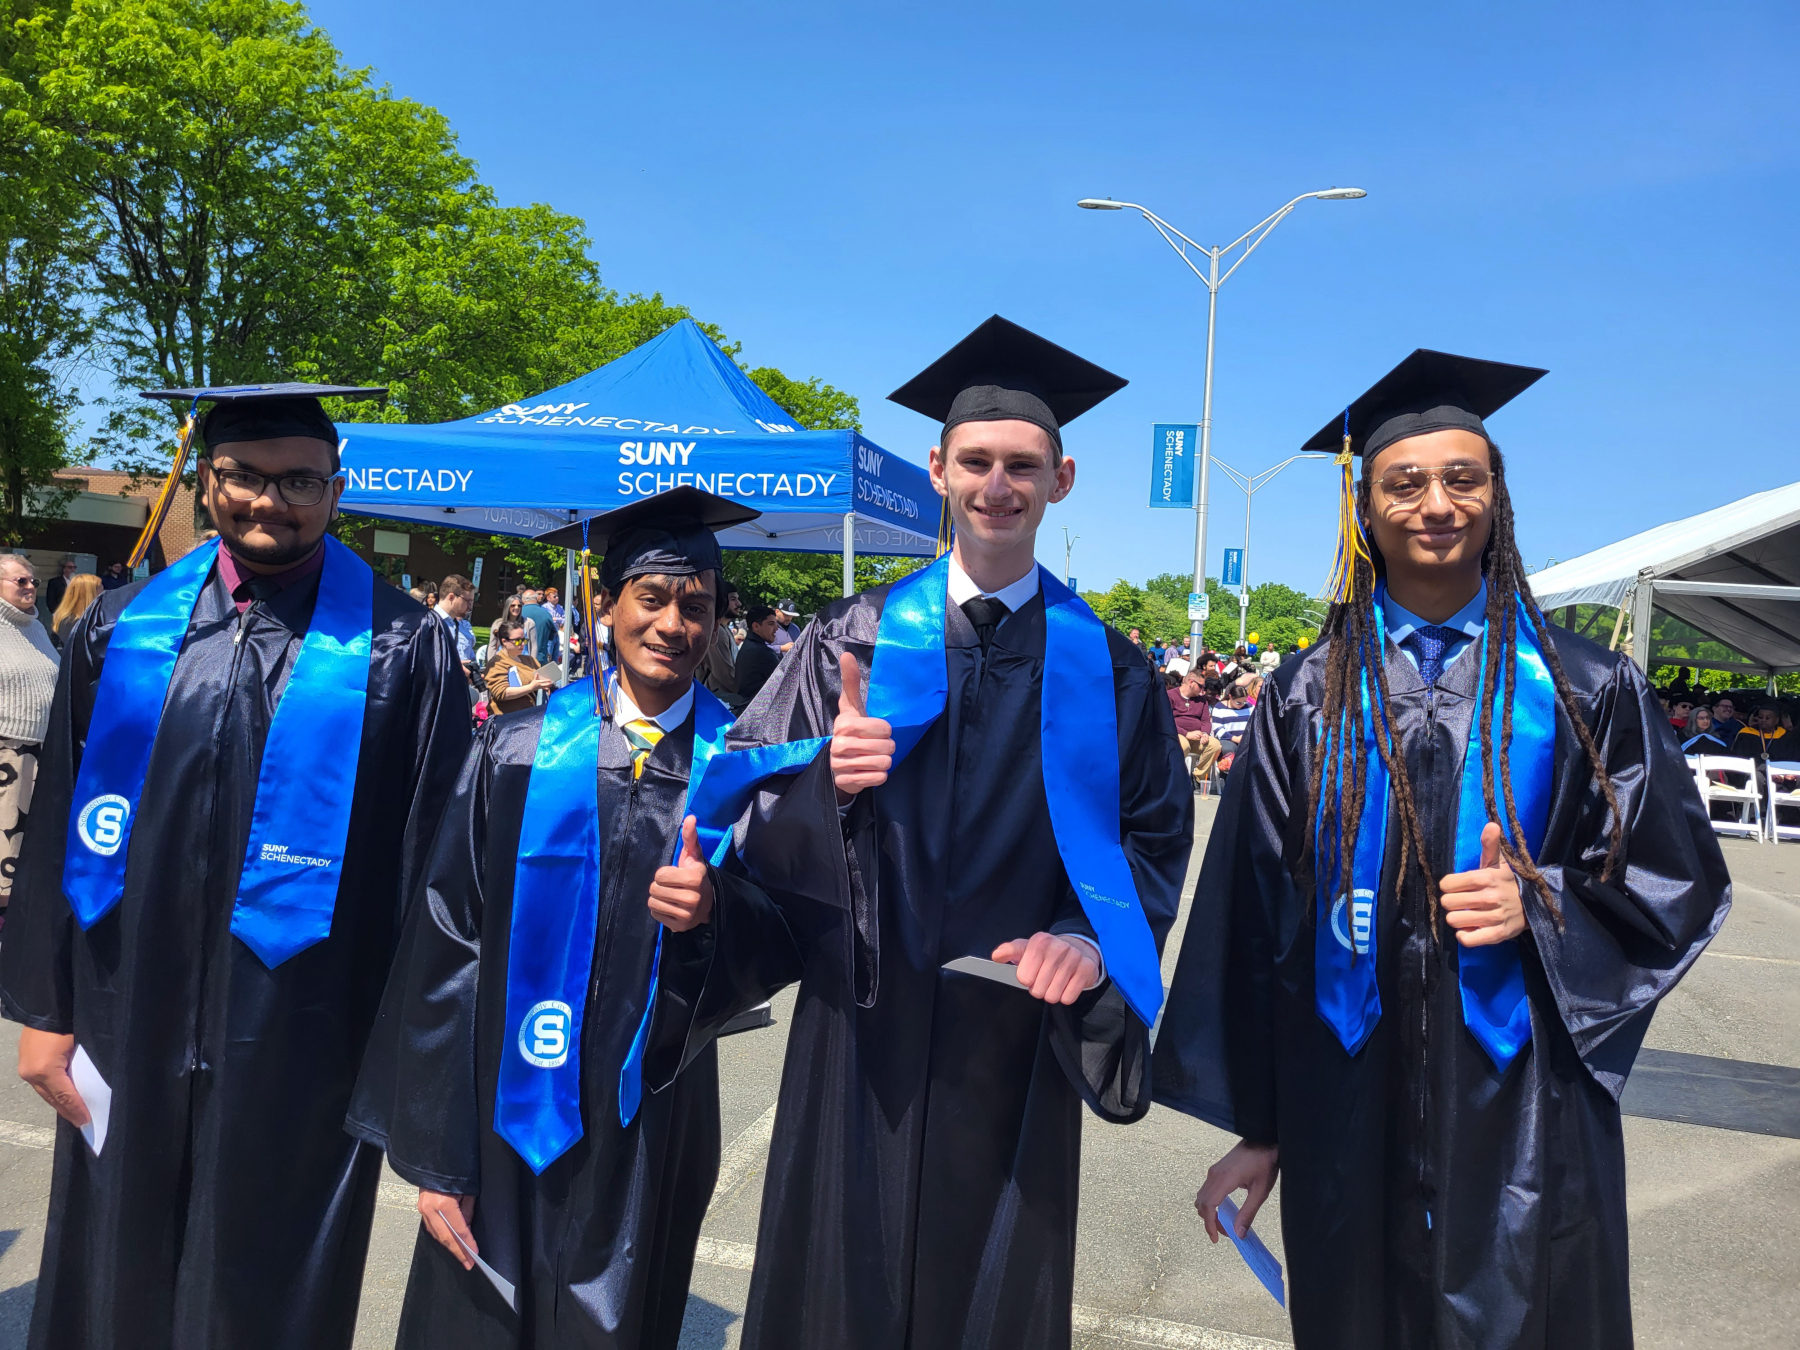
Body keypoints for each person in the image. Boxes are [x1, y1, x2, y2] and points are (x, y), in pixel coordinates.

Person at [1154, 349, 1731, 1350]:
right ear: (1365, 511)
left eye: (1465, 478)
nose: (1437, 503)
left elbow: (1674, 880)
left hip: (1526, 1103)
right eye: (1404, 483)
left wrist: (1546, 905)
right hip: (1347, 1097)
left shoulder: (1587, 690)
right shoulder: (1306, 697)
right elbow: (1253, 923)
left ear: (1497, 501)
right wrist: (1262, 1129)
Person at [716, 316, 1192, 1349]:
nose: (997, 485)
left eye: (1023, 466)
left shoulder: (1107, 665)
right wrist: (819, 783)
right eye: (975, 461)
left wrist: (1086, 936)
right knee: (841, 1280)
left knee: (993, 1289)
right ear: (938, 469)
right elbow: (738, 804)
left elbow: (1152, 838)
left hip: (1013, 1023)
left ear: (1061, 480)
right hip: (862, 1019)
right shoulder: (855, 635)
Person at [0, 381, 470, 1349]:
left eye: (299, 480)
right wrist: (44, 1012)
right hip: (130, 996)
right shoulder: (120, 628)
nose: (270, 501)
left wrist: (411, 1065)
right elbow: (58, 825)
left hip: (306, 1021)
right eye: (245, 477)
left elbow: (434, 866)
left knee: (269, 1258)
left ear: (337, 490)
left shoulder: (404, 646)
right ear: (207, 483)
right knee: (117, 1243)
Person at [350, 486, 799, 1349]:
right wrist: (439, 1153)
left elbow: (781, 936)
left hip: (651, 1111)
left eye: (696, 606)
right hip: (501, 1102)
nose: (675, 624)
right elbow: (447, 944)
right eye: (654, 597)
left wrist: (711, 915)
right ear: (608, 604)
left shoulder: (739, 769)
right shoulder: (515, 750)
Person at [0, 554, 57, 935]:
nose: (31, 587)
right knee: (5, 846)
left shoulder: (37, 628)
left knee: (28, 850)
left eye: (33, 581)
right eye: (21, 581)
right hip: (7, 751)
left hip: (43, 751)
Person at [485, 618, 552, 714]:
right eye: (517, 641)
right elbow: (501, 693)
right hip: (507, 720)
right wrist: (531, 687)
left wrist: (545, 685)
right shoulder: (497, 663)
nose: (522, 644)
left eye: (524, 640)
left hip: (531, 715)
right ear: (504, 641)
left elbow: (540, 681)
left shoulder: (530, 660)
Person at [1168, 669, 1221, 785]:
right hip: (1177, 734)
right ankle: (1176, 777)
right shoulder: (1170, 696)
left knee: (1215, 745)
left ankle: (1198, 777)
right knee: (1183, 745)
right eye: (1201, 686)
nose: (1203, 690)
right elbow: (1167, 721)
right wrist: (1186, 733)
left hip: (1198, 737)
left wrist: (1205, 733)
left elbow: (1205, 721)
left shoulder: (1201, 700)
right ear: (1191, 682)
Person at [733, 603, 784, 704]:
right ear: (756, 626)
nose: (776, 628)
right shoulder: (763, 653)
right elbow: (785, 685)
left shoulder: (748, 645)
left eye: (776, 623)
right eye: (771, 624)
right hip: (758, 710)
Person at [698, 579, 740, 698]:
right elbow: (724, 673)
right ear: (720, 601)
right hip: (716, 699)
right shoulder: (717, 632)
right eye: (733, 599)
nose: (739, 604)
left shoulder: (724, 629)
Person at [434, 573, 478, 683]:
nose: (470, 606)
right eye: (467, 601)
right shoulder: (428, 623)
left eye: (472, 602)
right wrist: (455, 667)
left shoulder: (464, 627)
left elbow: (470, 656)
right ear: (451, 597)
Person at [49, 573, 103, 650]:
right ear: (89, 594)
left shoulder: (64, 618)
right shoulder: (72, 622)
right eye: (101, 592)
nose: (104, 595)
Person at [520, 589, 558, 665]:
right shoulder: (546, 615)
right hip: (540, 658)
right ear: (536, 599)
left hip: (519, 657)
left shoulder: (518, 613)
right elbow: (552, 636)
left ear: (522, 600)